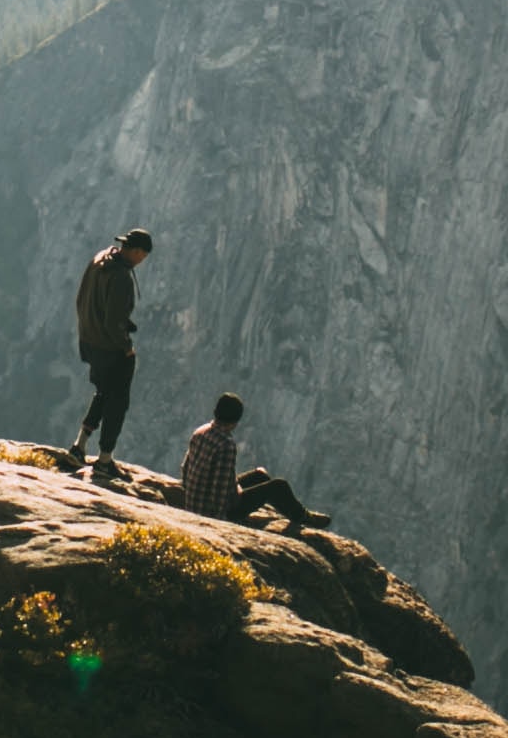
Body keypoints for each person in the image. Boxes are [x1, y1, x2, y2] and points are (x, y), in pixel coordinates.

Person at [174, 390, 329, 531]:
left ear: (216, 412)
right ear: (236, 421)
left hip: (195, 501)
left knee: (260, 475)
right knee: (278, 486)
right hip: (217, 510)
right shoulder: (226, 444)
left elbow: (186, 469)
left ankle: (288, 509)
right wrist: (220, 521)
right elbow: (218, 490)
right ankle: (303, 517)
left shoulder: (200, 431)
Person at [67, 227, 154, 473]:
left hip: (90, 341)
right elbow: (113, 321)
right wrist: (126, 347)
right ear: (137, 251)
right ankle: (104, 460)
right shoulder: (121, 277)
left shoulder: (99, 261)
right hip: (110, 348)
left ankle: (79, 446)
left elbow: (84, 300)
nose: (141, 261)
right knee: (117, 402)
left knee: (102, 393)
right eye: (142, 256)